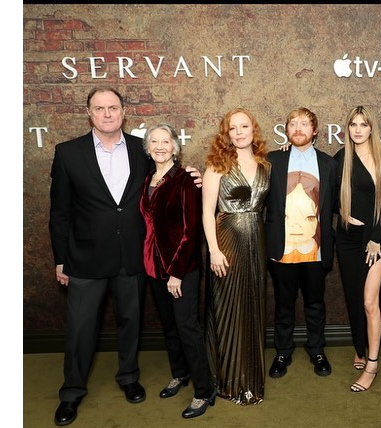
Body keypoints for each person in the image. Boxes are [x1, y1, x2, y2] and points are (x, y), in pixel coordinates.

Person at [49, 86, 200, 427]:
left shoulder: (140, 149)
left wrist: (194, 177)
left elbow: (167, 177)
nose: (107, 114)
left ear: (123, 112)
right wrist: (61, 259)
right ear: (89, 113)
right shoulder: (68, 153)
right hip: (85, 258)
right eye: (99, 108)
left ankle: (129, 377)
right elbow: (60, 212)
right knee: (80, 329)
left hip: (132, 255)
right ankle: (71, 392)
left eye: (113, 107)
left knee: (130, 321)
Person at [139, 124, 216, 418]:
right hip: (154, 265)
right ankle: (179, 372)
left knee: (187, 327)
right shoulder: (148, 179)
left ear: (175, 146)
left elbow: (190, 231)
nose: (160, 146)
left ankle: (204, 389)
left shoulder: (185, 179)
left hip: (182, 268)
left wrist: (177, 273)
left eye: (165, 141)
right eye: (154, 142)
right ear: (148, 148)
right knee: (169, 325)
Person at [202, 107, 271, 405]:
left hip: (256, 242)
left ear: (253, 130)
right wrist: (214, 250)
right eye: (233, 128)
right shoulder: (217, 164)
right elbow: (207, 212)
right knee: (228, 308)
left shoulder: (265, 165)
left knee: (253, 306)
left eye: (244, 126)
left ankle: (251, 377)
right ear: (226, 134)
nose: (239, 132)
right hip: (226, 243)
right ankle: (226, 379)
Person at [265, 107, 337, 378]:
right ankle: (282, 352)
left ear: (314, 130)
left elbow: (335, 204)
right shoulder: (272, 160)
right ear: (286, 130)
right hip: (281, 248)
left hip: (316, 249)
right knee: (283, 305)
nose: (298, 128)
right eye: (293, 123)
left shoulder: (329, 164)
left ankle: (317, 349)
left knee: (315, 303)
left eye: (304, 124)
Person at [333, 106, 381, 392]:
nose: (358, 130)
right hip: (346, 238)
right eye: (353, 124)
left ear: (372, 128)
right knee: (354, 296)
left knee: (370, 302)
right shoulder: (341, 158)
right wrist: (288, 151)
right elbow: (325, 189)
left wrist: (376, 238)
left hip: (374, 239)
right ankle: (360, 347)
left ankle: (372, 364)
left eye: (363, 124)